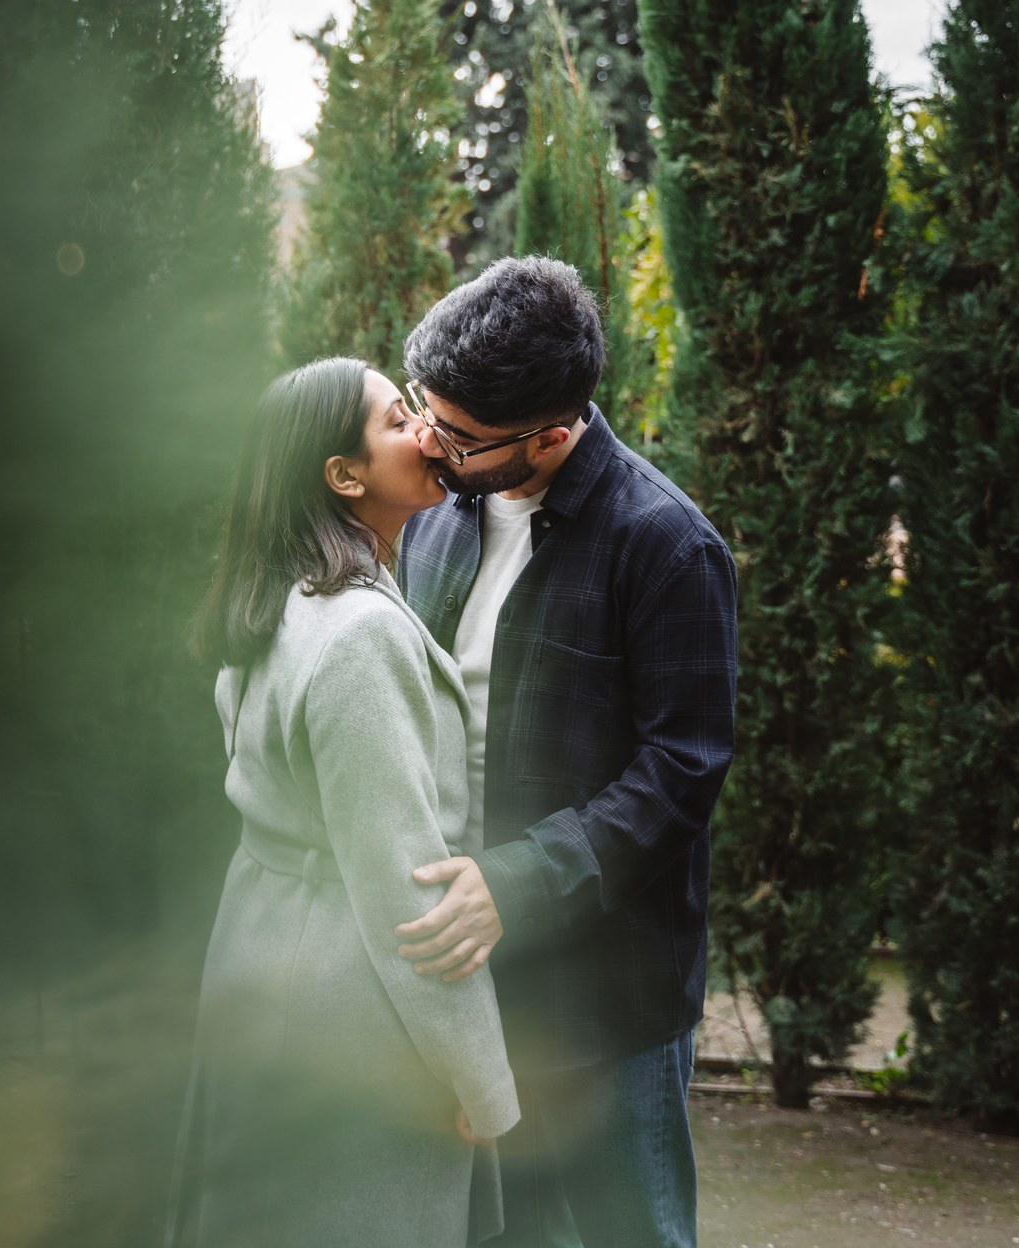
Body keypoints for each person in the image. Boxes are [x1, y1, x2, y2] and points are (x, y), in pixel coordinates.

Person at [387, 256, 739, 1248]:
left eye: (456, 434)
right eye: (424, 409)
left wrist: (518, 882)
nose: (428, 441)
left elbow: (684, 770)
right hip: (468, 977)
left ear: (551, 431)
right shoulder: (437, 519)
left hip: (605, 1002)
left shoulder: (670, 544)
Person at [166, 357, 520, 1247]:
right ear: (343, 475)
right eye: (398, 420)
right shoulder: (359, 633)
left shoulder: (277, 601)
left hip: (258, 960)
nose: (427, 433)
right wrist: (482, 1079)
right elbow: (407, 893)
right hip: (346, 1013)